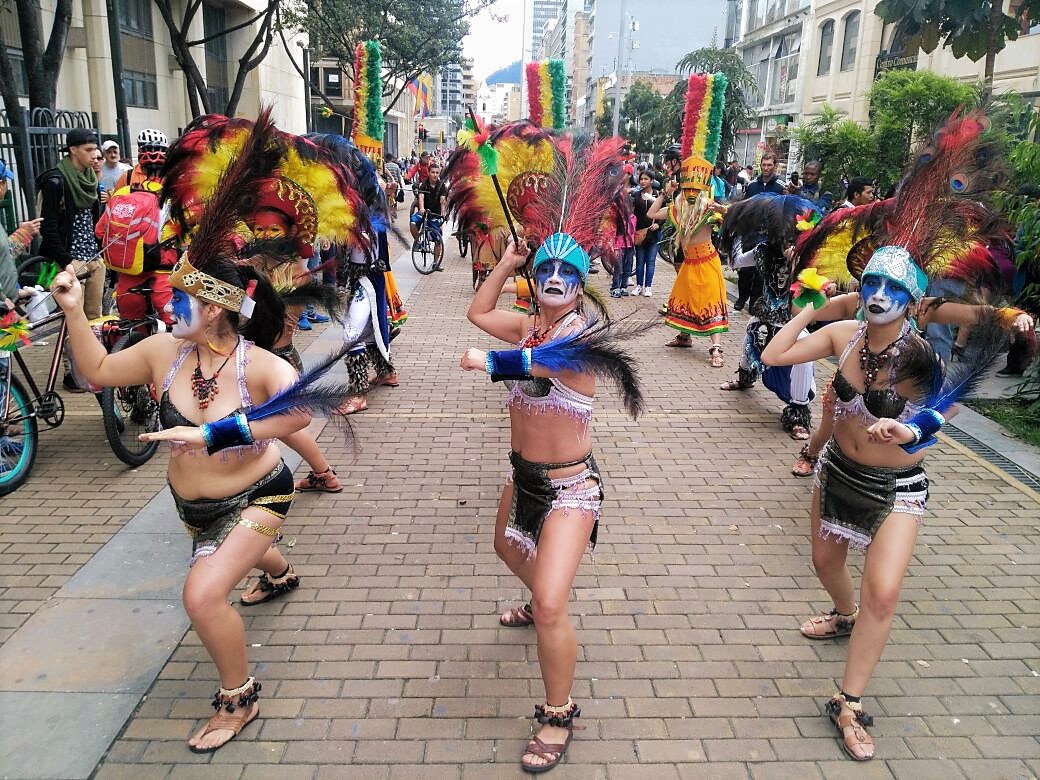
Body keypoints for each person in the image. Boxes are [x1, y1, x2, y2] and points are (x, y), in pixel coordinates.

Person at [765, 110, 1036, 761]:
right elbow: (777, 356)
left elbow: (943, 414)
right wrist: (809, 299)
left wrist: (909, 426)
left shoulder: (919, 353)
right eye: (873, 283)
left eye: (893, 285)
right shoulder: (842, 333)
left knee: (885, 592)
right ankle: (842, 614)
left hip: (897, 487)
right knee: (827, 566)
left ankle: (849, 701)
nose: (880, 292)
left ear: (910, 296)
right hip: (836, 475)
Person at [719, 194, 824, 440]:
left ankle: (798, 414)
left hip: (792, 319)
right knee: (751, 336)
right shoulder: (763, 250)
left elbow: (819, 285)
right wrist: (734, 231)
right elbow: (736, 263)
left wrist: (799, 263)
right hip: (765, 311)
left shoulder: (808, 255)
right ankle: (745, 378)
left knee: (803, 359)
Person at [650, 74, 730, 366]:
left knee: (710, 303)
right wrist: (665, 193)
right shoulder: (680, 206)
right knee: (681, 299)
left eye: (695, 186)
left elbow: (728, 214)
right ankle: (684, 337)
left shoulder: (708, 206)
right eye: (687, 186)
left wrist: (721, 209)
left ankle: (715, 350)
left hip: (707, 260)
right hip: (688, 262)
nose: (691, 190)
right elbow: (650, 215)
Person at [410, 162, 447, 269]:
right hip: (424, 212)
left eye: (437, 173)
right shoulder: (424, 184)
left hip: (435, 214)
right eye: (433, 172)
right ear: (429, 173)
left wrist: (443, 214)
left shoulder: (442, 186)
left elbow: (443, 201)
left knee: (438, 240)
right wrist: (421, 208)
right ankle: (419, 242)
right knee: (413, 222)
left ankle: (435, 263)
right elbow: (421, 197)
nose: (435, 175)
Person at [632, 171, 661, 297]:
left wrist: (659, 224)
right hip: (639, 233)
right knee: (639, 261)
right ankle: (638, 285)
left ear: (652, 180)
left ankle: (648, 286)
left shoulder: (658, 195)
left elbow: (665, 212)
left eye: (646, 179)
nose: (643, 181)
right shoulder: (637, 195)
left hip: (654, 234)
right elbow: (633, 214)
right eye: (641, 179)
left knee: (650, 261)